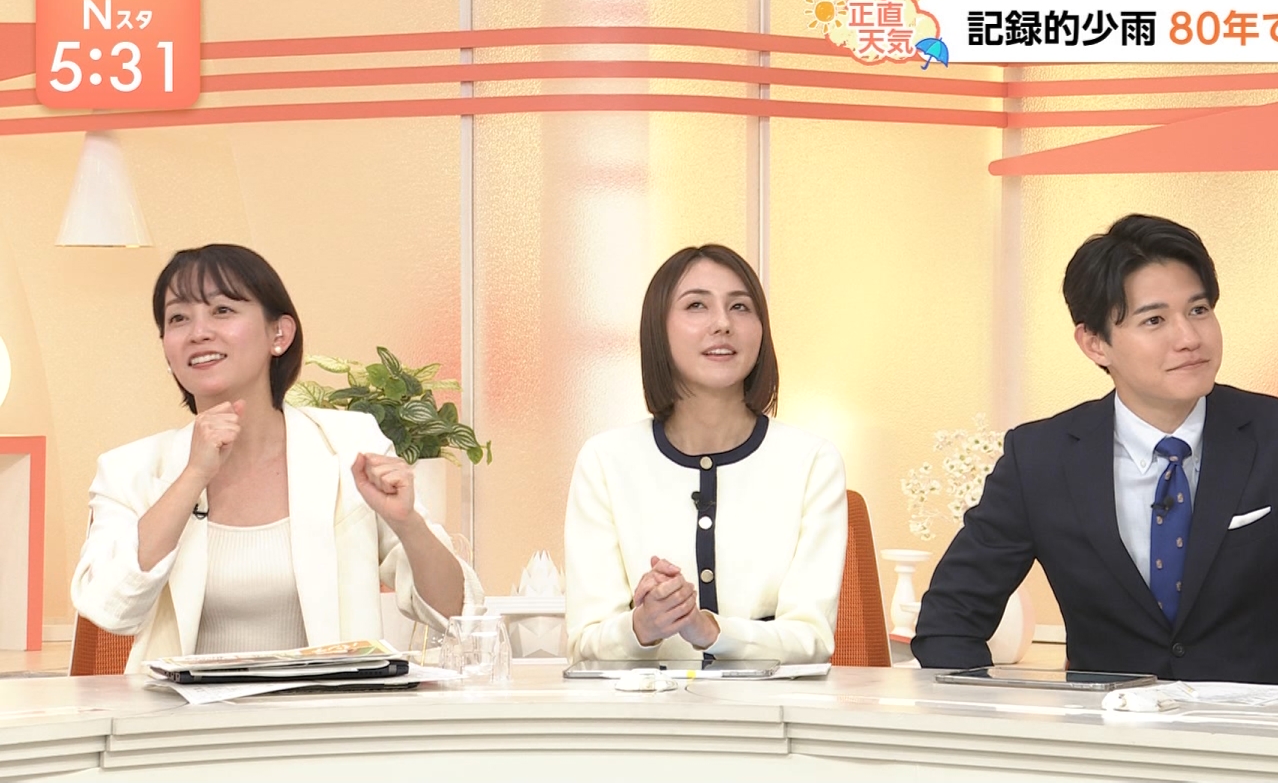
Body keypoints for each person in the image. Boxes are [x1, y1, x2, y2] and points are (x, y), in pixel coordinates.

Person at [913, 214, 1278, 695]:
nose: (1189, 338)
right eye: (1154, 320)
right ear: (1095, 344)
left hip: (1266, 740)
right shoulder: (1040, 459)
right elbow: (948, 621)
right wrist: (992, 730)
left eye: (1199, 310)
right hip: (1109, 738)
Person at [71, 244, 482, 672]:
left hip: (332, 709)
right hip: (183, 714)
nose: (198, 332)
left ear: (279, 335)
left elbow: (453, 612)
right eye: (178, 318)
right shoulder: (129, 470)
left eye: (222, 310)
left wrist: (407, 522)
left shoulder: (349, 446)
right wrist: (193, 475)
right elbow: (110, 609)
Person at [564, 244, 847, 663]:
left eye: (740, 307)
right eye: (696, 305)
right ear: (658, 330)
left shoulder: (812, 462)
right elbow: (583, 646)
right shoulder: (605, 461)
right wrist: (642, 626)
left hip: (772, 704)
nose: (723, 324)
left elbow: (812, 640)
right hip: (646, 705)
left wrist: (710, 630)